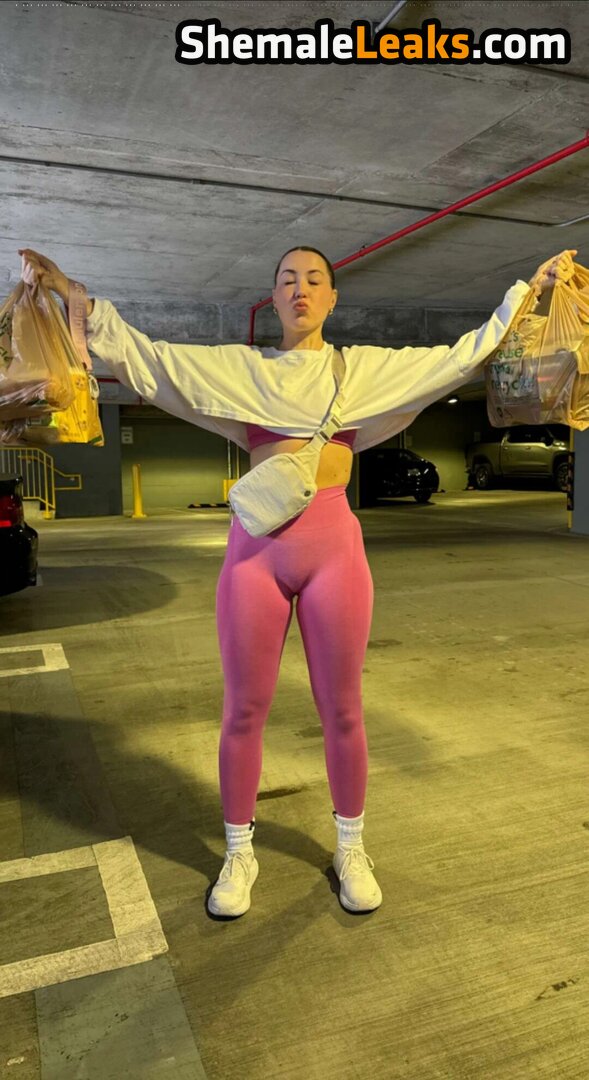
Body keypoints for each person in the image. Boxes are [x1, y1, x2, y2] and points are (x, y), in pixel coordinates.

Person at [17, 244, 577, 919]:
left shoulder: (361, 370)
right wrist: (73, 293)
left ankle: (350, 847)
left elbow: (460, 356)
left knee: (342, 709)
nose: (300, 289)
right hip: (254, 554)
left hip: (334, 551)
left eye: (314, 279)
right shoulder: (243, 369)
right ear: (274, 296)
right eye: (287, 280)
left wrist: (527, 290)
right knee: (242, 710)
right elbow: (150, 359)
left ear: (332, 298)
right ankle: (238, 852)